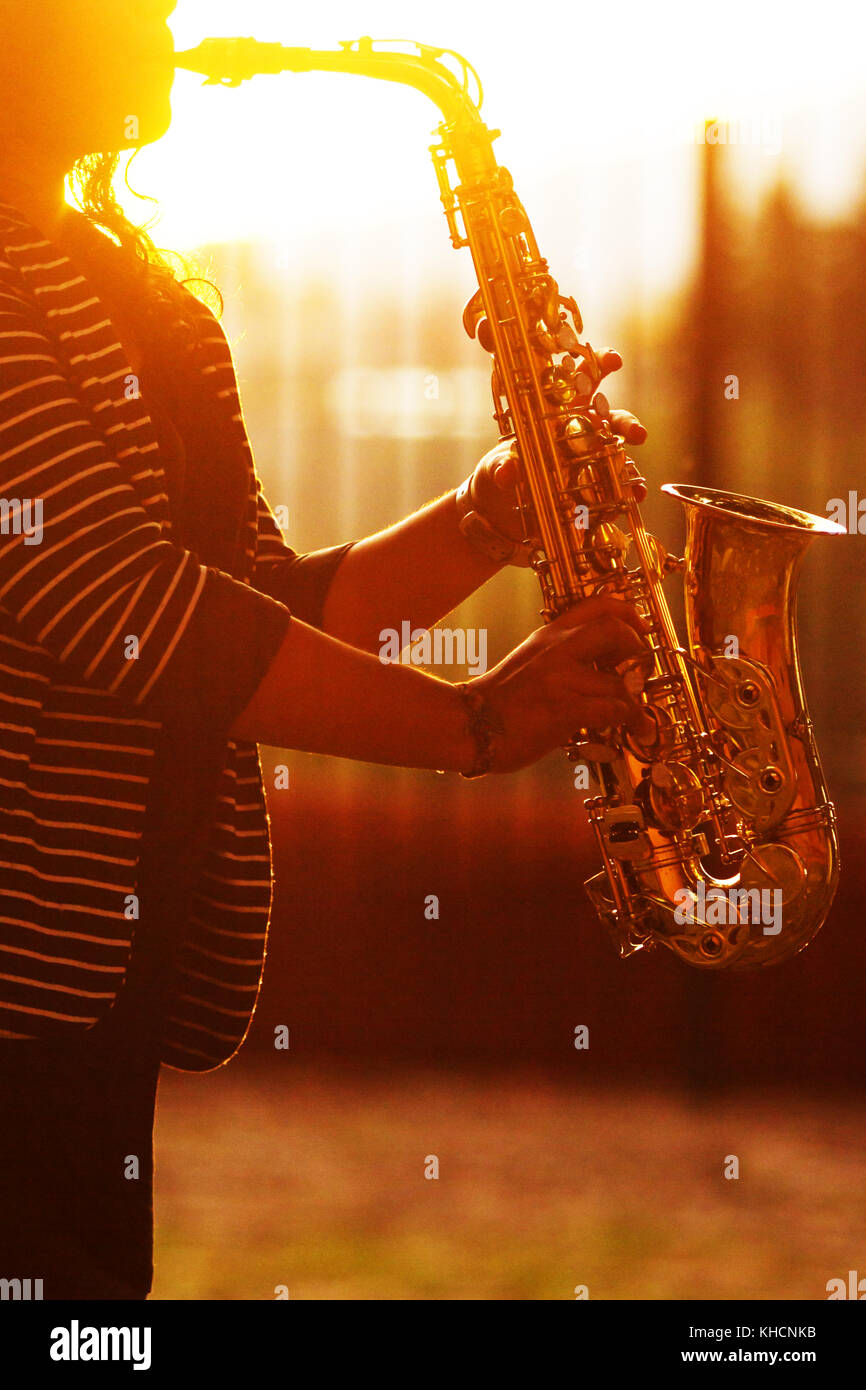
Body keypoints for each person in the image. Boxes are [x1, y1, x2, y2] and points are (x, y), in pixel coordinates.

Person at [0, 1, 652, 1300]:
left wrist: (481, 522)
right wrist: (471, 723)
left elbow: (248, 598)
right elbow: (118, 599)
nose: (167, 18)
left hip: (94, 989)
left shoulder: (133, 295)